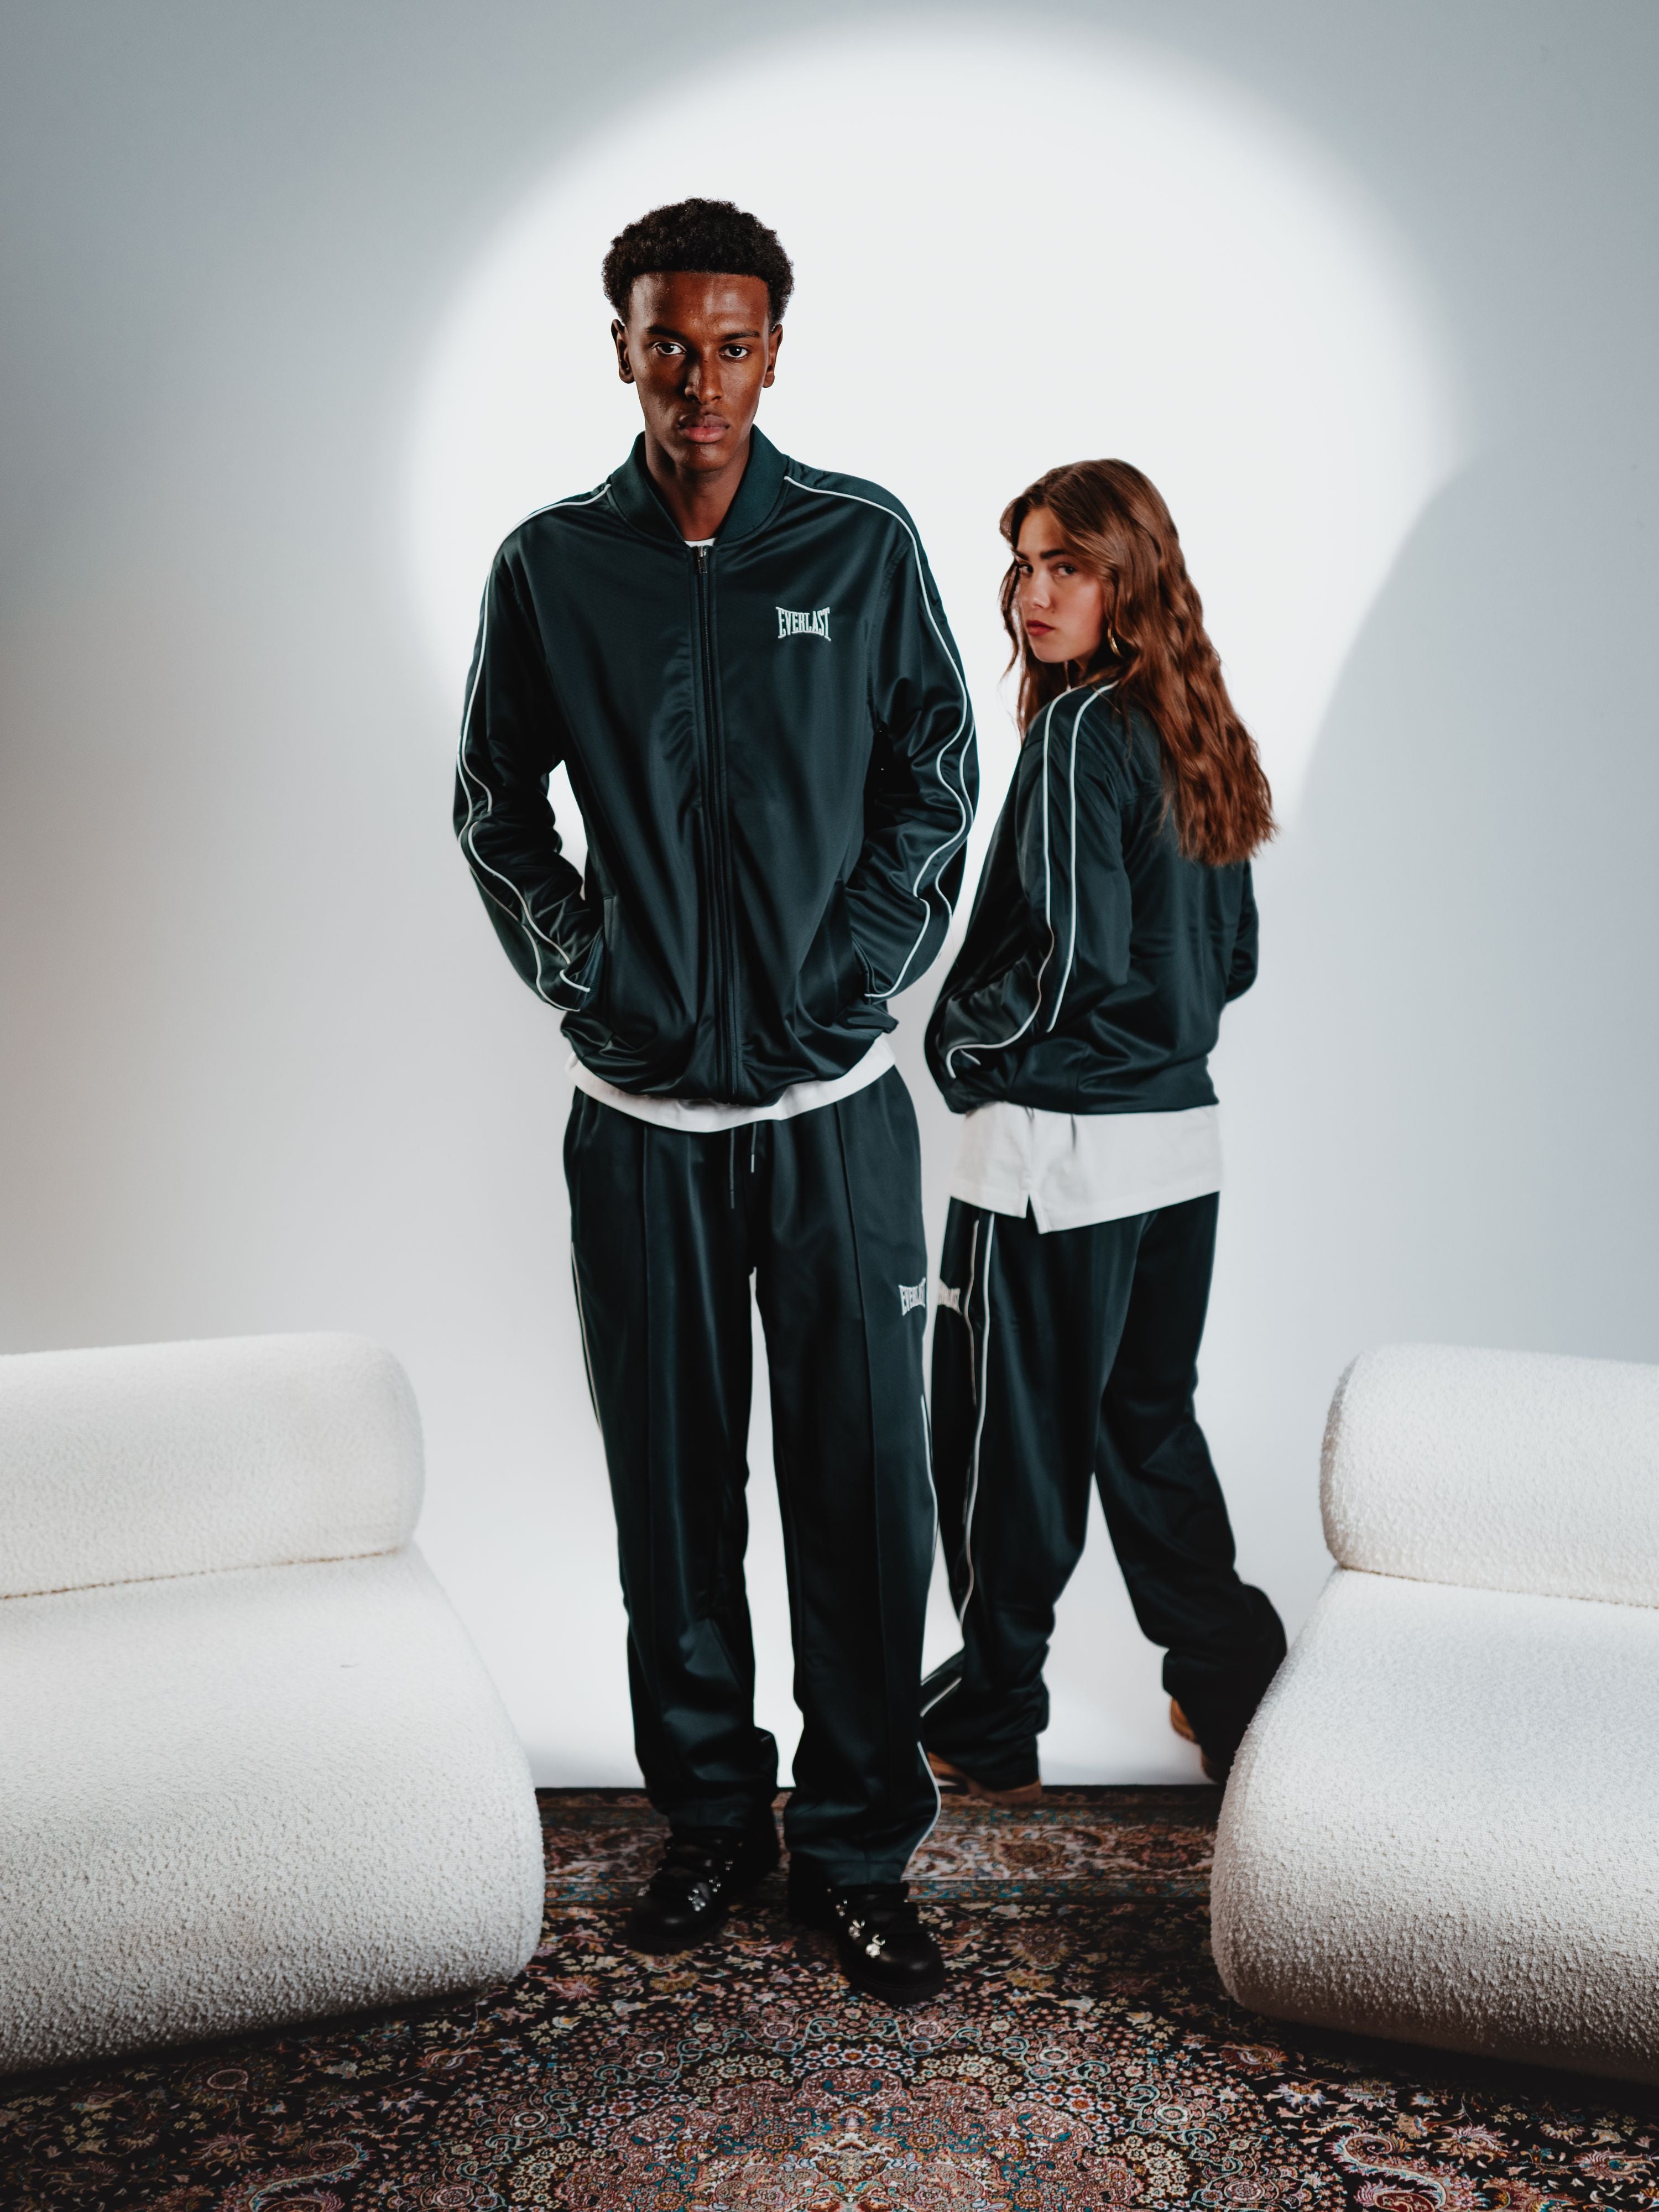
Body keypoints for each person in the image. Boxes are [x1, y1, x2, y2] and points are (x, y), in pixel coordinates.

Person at [454, 199, 975, 2004]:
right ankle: (708, 1822)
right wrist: (589, 975)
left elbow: (938, 772)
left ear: (774, 352)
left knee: (864, 1490)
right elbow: (496, 804)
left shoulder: (859, 540)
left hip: (838, 1119)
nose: (701, 380)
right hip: (644, 1128)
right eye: (669, 342)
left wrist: (859, 973)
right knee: (672, 1495)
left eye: (732, 345)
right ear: (622, 345)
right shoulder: (551, 567)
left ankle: (857, 1852)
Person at [919, 459, 1284, 1800]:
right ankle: (1232, 1681)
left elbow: (1074, 957)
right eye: (1024, 563)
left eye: (1067, 564)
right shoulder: (1197, 724)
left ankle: (992, 1712)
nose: (1034, 591)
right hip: (1177, 1152)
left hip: (1056, 1161)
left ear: (1127, 578)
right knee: (1146, 1428)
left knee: (997, 1439)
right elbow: (1232, 959)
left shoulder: (1081, 728)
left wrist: (961, 1048)